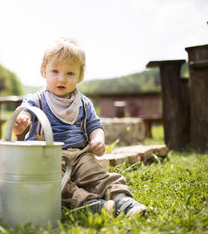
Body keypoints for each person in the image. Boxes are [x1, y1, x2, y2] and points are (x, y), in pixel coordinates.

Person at [13, 37, 147, 217]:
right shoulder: (36, 99)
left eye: (70, 73)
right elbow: (25, 114)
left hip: (80, 155)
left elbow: (94, 125)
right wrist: (21, 122)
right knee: (52, 182)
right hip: (47, 157)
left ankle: (122, 200)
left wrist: (97, 139)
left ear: (80, 76)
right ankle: (90, 203)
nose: (62, 78)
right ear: (43, 71)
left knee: (98, 176)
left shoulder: (83, 103)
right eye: (55, 71)